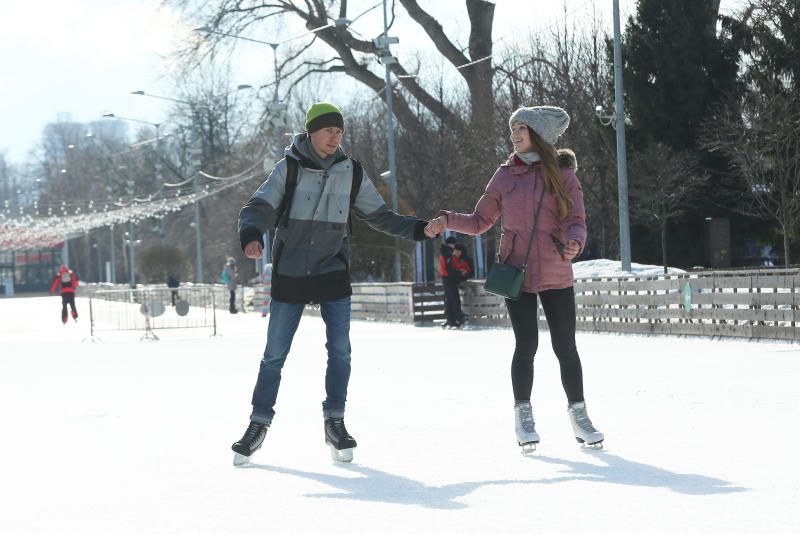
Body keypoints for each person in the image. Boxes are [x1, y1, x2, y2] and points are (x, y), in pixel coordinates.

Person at [232, 101, 437, 465]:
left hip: (332, 269)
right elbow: (258, 207)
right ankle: (258, 423)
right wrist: (251, 234)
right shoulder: (289, 168)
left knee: (340, 351)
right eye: (328, 131)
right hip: (291, 270)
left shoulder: (351, 171)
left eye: (339, 132)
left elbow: (381, 217)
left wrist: (420, 229)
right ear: (311, 132)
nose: (334, 137)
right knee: (274, 355)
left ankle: (335, 422)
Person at [426, 105, 604, 451]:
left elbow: (576, 219)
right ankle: (524, 418)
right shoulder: (505, 175)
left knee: (565, 346)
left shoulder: (563, 175)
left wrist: (574, 242)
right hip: (516, 272)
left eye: (521, 128)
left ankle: (580, 417)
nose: (514, 135)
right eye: (512, 129)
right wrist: (447, 219)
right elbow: (480, 221)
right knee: (526, 345)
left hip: (555, 268)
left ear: (538, 133)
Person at [439, 237, 473, 328]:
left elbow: (452, 266)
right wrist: (457, 274)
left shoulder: (448, 252)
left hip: (448, 278)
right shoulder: (447, 253)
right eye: (453, 244)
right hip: (448, 278)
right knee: (454, 298)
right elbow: (449, 268)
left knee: (450, 298)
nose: (454, 246)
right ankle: (458, 317)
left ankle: (451, 320)